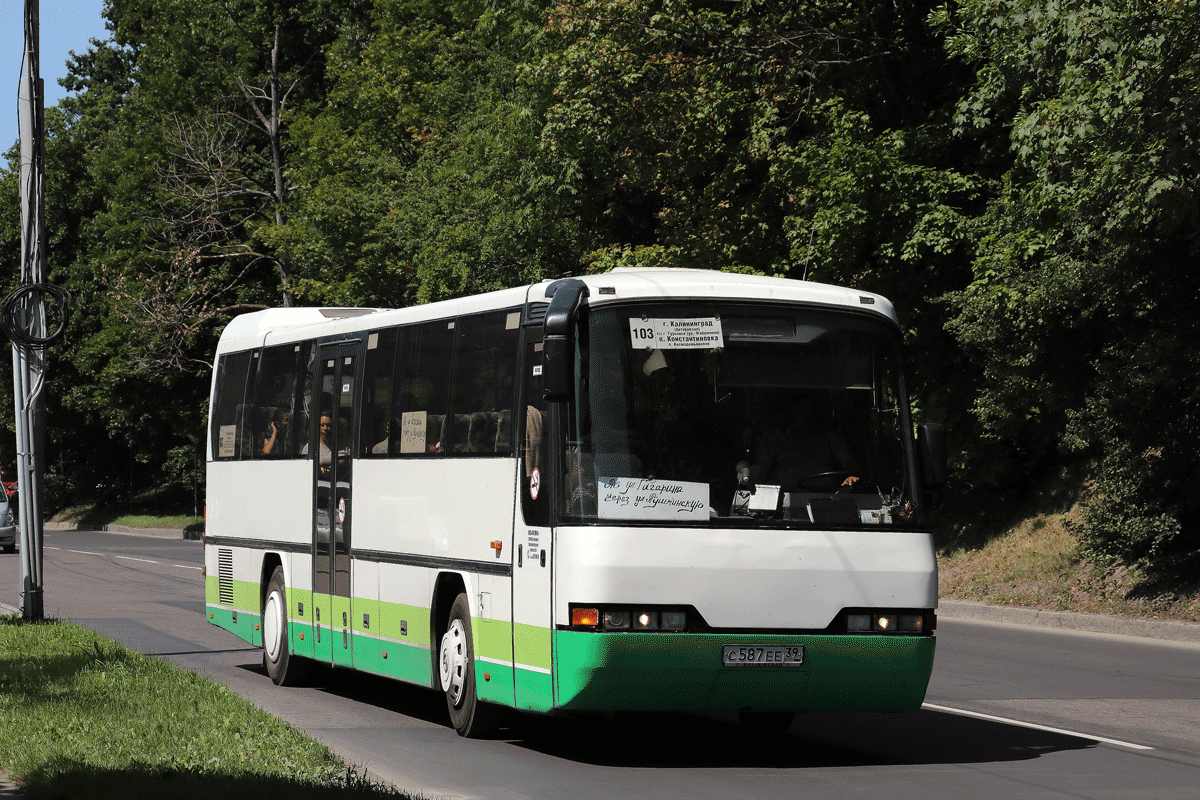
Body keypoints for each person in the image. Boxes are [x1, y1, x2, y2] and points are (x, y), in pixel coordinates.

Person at [754, 392, 862, 491]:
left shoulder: (827, 434)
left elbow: (850, 463)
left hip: (824, 499)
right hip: (784, 500)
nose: (801, 405)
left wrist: (852, 476)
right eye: (795, 400)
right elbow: (759, 477)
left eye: (806, 399)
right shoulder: (772, 437)